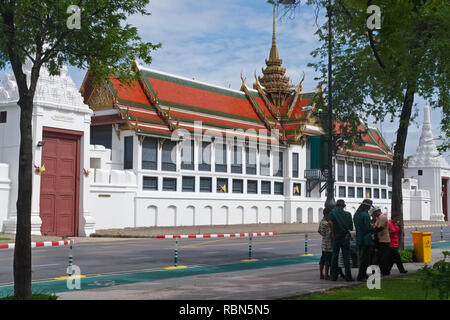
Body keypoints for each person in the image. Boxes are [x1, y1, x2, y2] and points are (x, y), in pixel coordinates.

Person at [328, 199, 354, 281]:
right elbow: (351, 227)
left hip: (336, 237)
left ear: (336, 206)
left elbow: (330, 223)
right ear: (343, 206)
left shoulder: (332, 213)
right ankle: (348, 277)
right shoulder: (348, 214)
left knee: (334, 256)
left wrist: (332, 232)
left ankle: (333, 276)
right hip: (345, 237)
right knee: (346, 257)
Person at [353, 199, 374, 281]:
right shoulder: (365, 215)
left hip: (359, 238)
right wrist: (374, 227)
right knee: (365, 259)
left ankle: (362, 275)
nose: (369, 208)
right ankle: (361, 276)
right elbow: (367, 228)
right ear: (367, 206)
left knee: (361, 258)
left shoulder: (356, 214)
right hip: (366, 240)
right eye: (369, 207)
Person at [371, 207, 391, 276]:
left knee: (383, 257)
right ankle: (382, 271)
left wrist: (371, 232)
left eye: (374, 213)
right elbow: (375, 227)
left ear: (378, 211)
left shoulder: (383, 217)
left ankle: (385, 271)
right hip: (380, 239)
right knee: (380, 256)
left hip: (384, 240)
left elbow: (380, 228)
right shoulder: (378, 218)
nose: (374, 214)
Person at [318, 207, 333, 280]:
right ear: (328, 214)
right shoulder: (328, 223)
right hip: (329, 244)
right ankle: (326, 275)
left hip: (324, 243)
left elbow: (319, 231)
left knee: (322, 259)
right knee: (328, 260)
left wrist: (324, 235)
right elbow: (332, 233)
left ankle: (321, 274)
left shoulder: (321, 221)